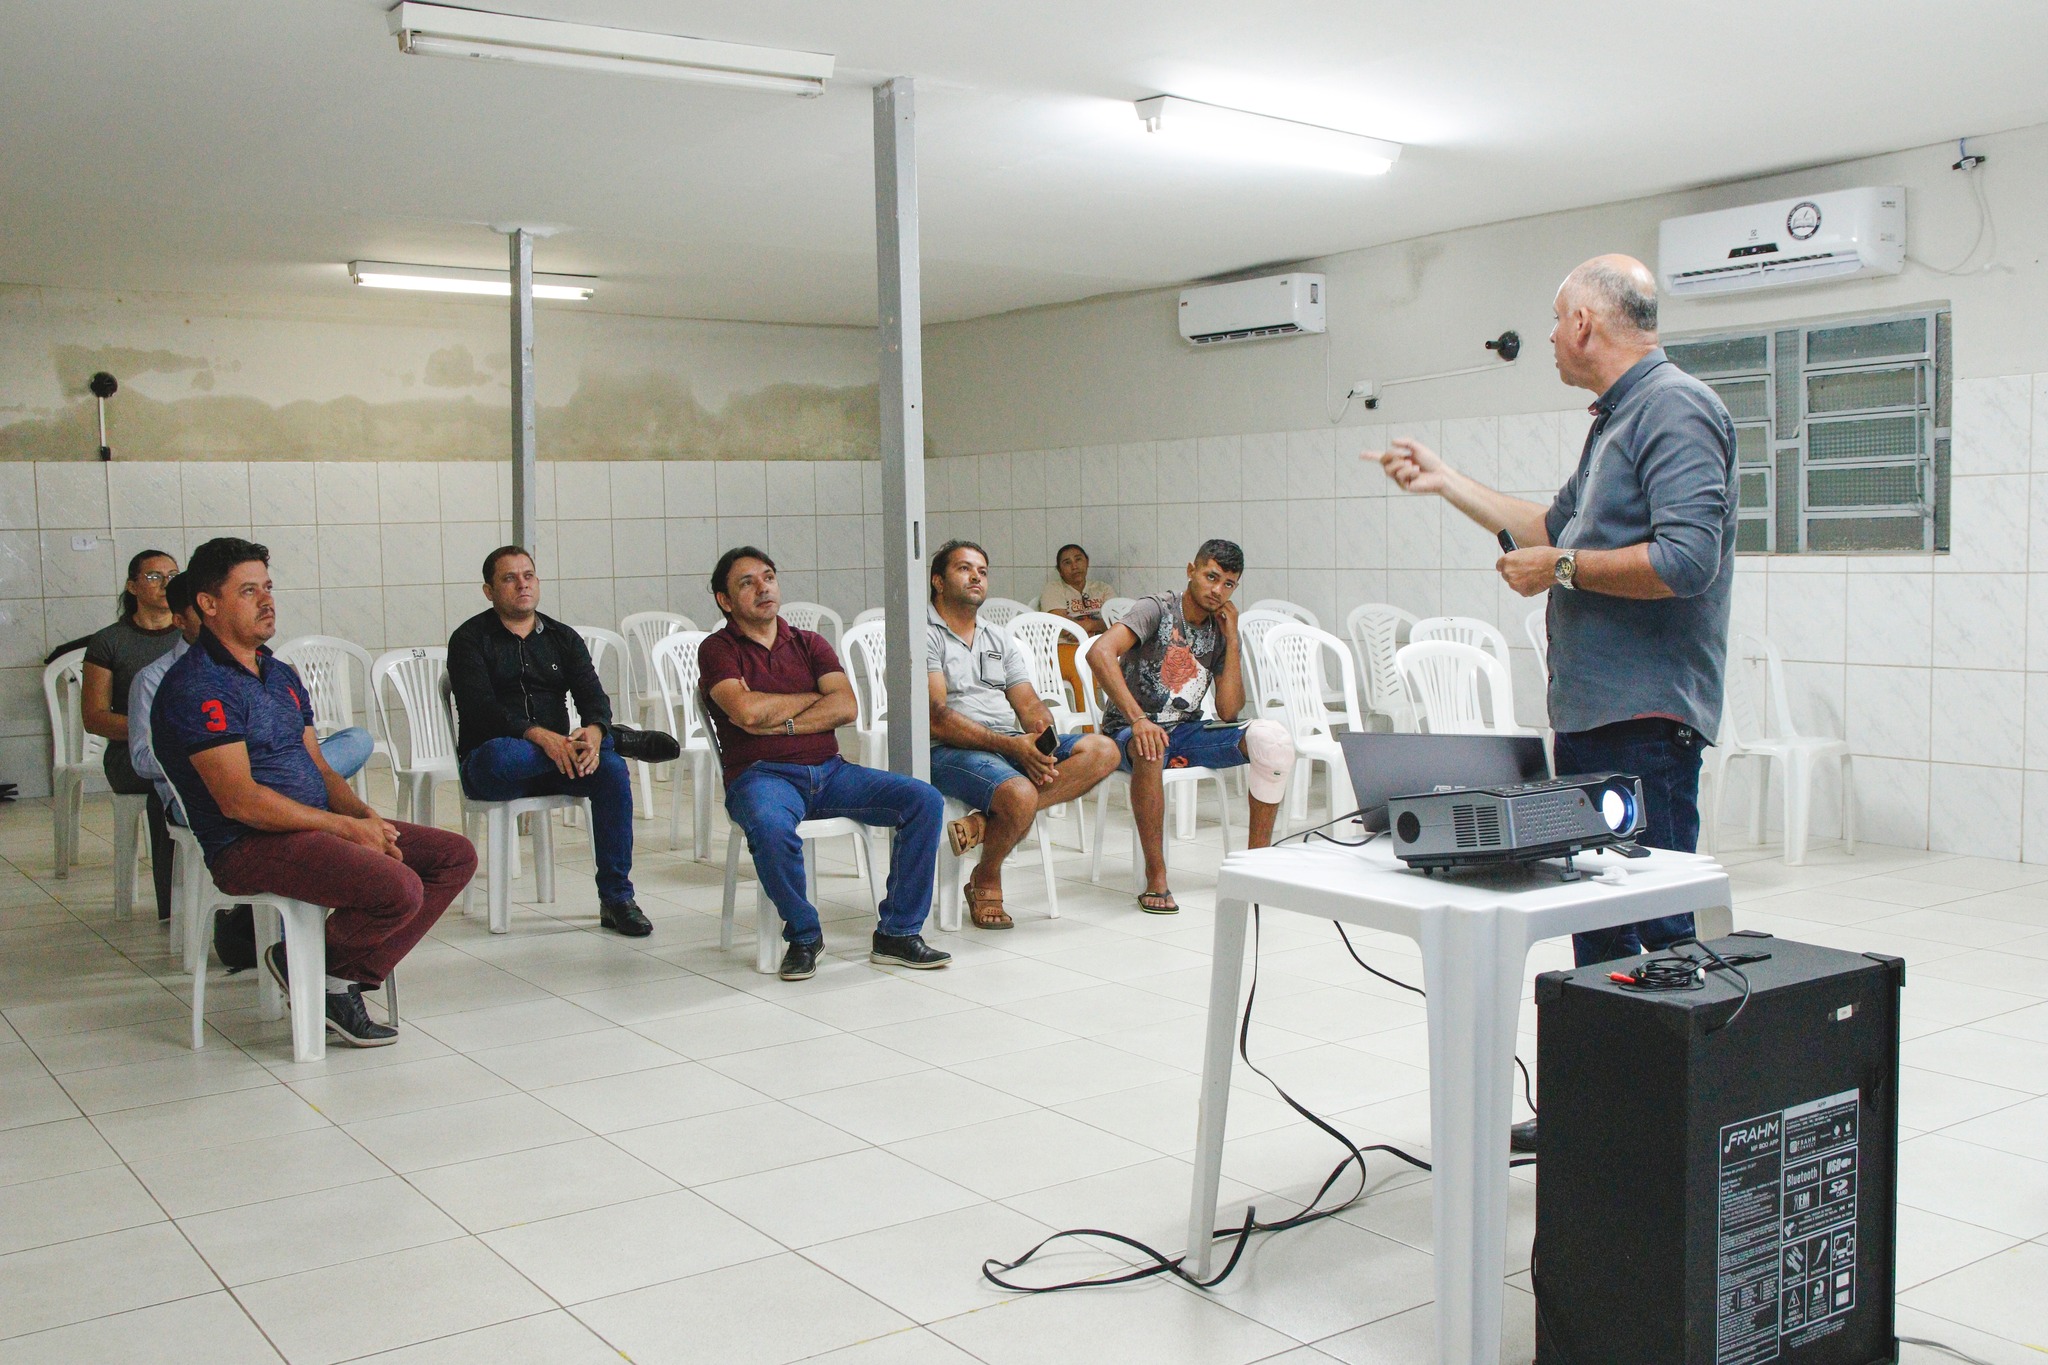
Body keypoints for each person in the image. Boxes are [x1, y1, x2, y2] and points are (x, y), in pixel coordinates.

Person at [1373, 255, 1737, 1152]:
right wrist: (1448, 481)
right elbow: (1549, 529)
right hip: (1593, 718)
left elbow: (1688, 560)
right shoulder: (1616, 421)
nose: (1546, 338)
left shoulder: (1676, 407)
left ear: (1584, 324)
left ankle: (1660, 1128)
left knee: (1649, 934)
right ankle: (1598, 1111)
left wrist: (1562, 570)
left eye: (1552, 319)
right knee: (1596, 928)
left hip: (1644, 722)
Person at [151, 538, 476, 1046]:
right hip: (247, 845)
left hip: (314, 826)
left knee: (451, 856)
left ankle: (331, 976)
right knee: (399, 887)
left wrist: (368, 820)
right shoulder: (198, 686)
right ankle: (316, 973)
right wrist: (347, 828)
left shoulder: (279, 674)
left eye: (269, 587)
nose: (267, 601)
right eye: (248, 590)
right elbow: (241, 801)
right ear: (207, 604)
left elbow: (319, 768)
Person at [699, 545, 950, 980]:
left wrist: (787, 723)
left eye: (769, 577)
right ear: (725, 600)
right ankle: (803, 934)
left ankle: (897, 932)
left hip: (831, 772)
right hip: (761, 776)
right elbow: (746, 713)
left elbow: (848, 706)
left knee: (923, 800)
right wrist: (815, 699)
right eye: (747, 582)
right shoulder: (718, 649)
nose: (763, 587)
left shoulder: (809, 643)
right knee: (772, 828)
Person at [448, 547, 674, 938]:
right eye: (509, 578)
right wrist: (542, 737)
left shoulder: (562, 638)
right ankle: (621, 739)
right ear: (488, 591)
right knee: (506, 754)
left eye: (529, 575)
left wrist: (596, 730)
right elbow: (481, 708)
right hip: (495, 763)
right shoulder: (469, 639)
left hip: (557, 764)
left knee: (612, 771)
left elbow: (592, 697)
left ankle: (617, 898)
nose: (522, 584)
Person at [1085, 538, 1296, 915]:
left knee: (1273, 740)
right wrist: (1138, 719)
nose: (1218, 590)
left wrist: (1233, 640)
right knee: (1151, 745)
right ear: (1191, 571)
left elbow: (1229, 711)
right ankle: (1157, 877)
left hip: (1185, 731)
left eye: (1229, 583)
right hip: (1129, 733)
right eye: (1211, 577)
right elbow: (1098, 652)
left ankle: (1256, 868)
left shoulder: (1220, 628)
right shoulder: (1157, 609)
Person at [927, 540, 1119, 929]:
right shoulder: (924, 636)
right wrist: (1011, 745)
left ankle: (983, 825)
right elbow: (937, 717)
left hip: (1008, 742)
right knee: (1019, 792)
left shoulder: (998, 639)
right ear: (938, 582)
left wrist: (1039, 734)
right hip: (949, 749)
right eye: (964, 569)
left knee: (1103, 749)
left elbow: (1028, 703)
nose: (976, 577)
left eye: (982, 570)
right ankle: (987, 875)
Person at [82, 550, 184, 919]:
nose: (165, 584)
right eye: (154, 577)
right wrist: (150, 730)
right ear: (133, 586)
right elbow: (94, 718)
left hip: (187, 748)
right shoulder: (110, 641)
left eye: (172, 575)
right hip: (130, 753)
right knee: (166, 780)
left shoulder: (188, 634)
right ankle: (172, 906)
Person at [1039, 544, 1116, 635]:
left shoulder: (1103, 588)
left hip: (1101, 644)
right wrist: (1096, 627)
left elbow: (1115, 622)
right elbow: (1061, 624)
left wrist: (1091, 625)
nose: (1074, 566)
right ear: (1060, 571)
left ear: (1087, 562)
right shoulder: (1053, 588)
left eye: (1078, 559)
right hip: (1066, 645)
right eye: (1067, 563)